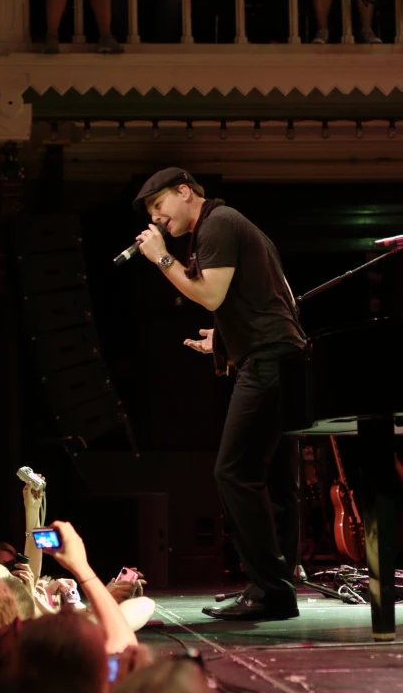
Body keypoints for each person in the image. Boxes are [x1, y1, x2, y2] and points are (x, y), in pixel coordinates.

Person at [132, 167, 307, 621]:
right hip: (282, 355)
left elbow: (210, 295)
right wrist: (226, 339)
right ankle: (279, 584)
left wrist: (160, 259)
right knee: (277, 480)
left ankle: (269, 588)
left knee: (233, 472)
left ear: (184, 192)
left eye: (159, 206)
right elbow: (273, 295)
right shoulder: (231, 224)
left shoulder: (217, 223)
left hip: (268, 360)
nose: (157, 219)